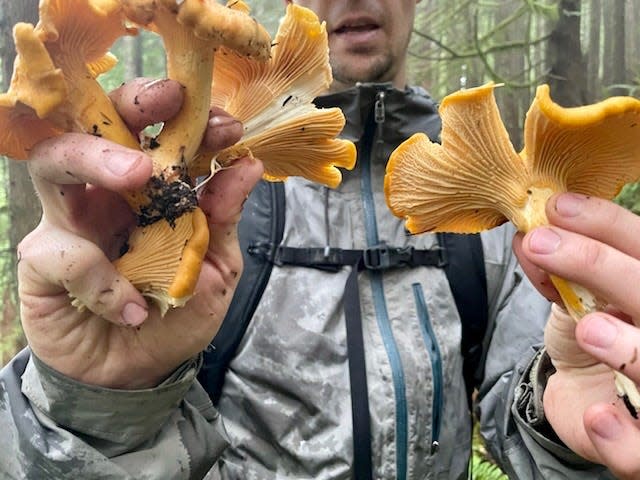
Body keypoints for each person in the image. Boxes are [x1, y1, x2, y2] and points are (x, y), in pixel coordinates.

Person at [0, 1, 639, 479]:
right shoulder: (213, 208)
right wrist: (96, 410)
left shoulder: (491, 224)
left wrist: (584, 411)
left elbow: (523, 432)